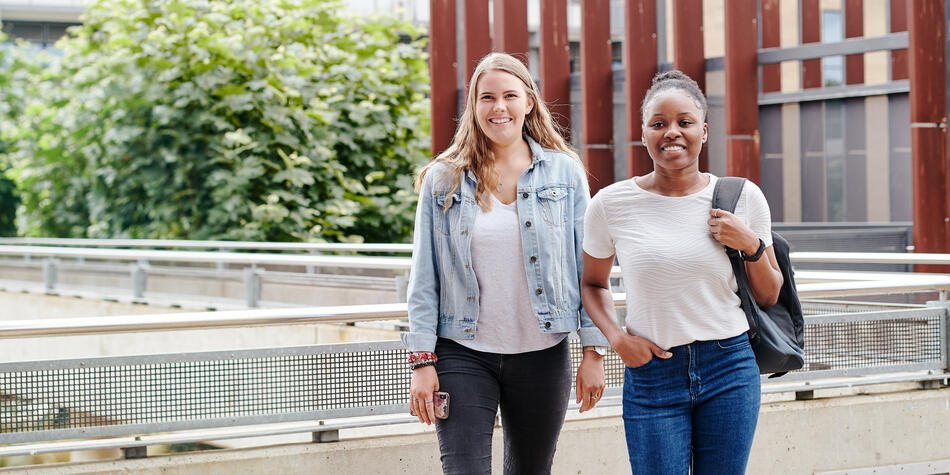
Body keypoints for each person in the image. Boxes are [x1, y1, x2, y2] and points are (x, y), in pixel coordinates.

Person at [402, 52, 610, 474]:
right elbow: (425, 274)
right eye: (487, 98)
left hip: (543, 353)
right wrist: (422, 362)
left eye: (510, 95)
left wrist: (594, 351)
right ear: (473, 107)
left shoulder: (564, 173)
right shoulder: (444, 178)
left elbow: (586, 271)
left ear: (529, 102)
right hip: (462, 352)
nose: (499, 107)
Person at [580, 70, 784, 474]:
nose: (672, 132)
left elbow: (769, 294)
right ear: (644, 133)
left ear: (703, 131)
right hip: (652, 370)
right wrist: (618, 339)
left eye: (684, 122)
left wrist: (750, 244)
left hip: (729, 365)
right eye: (659, 123)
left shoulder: (742, 196)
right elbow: (591, 282)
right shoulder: (610, 204)